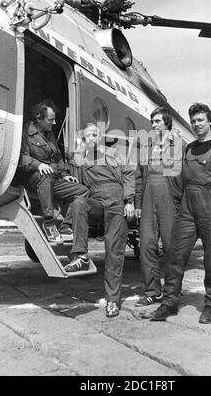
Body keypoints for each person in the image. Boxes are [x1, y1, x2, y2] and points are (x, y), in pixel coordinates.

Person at [148, 102, 211, 323]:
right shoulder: (189, 148)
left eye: (200, 120)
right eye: (193, 121)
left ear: (210, 121)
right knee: (175, 255)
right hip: (188, 210)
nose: (197, 124)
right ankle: (169, 303)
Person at [65, 123, 135, 318]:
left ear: (101, 137)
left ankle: (112, 301)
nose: (93, 139)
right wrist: (67, 176)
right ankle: (80, 255)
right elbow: (70, 170)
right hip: (96, 199)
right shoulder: (80, 160)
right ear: (84, 140)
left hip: (116, 199)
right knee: (79, 203)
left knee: (114, 251)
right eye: (89, 136)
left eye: (96, 135)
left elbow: (129, 174)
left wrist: (129, 201)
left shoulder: (114, 154)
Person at [18, 100, 88, 244]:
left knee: (82, 190)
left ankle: (66, 226)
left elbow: (57, 158)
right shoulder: (26, 131)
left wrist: (65, 175)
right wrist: (38, 165)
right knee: (45, 176)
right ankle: (49, 223)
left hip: (52, 179)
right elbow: (21, 157)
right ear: (39, 118)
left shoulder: (50, 135)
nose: (54, 123)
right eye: (51, 119)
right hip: (33, 178)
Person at [134, 107, 183, 307]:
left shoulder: (179, 145)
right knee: (146, 246)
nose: (153, 125)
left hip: (169, 198)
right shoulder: (146, 147)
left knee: (172, 247)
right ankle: (153, 292)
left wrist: (180, 203)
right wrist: (137, 203)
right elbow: (138, 176)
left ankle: (173, 293)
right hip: (147, 197)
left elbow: (185, 176)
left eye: (157, 121)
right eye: (152, 121)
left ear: (167, 123)